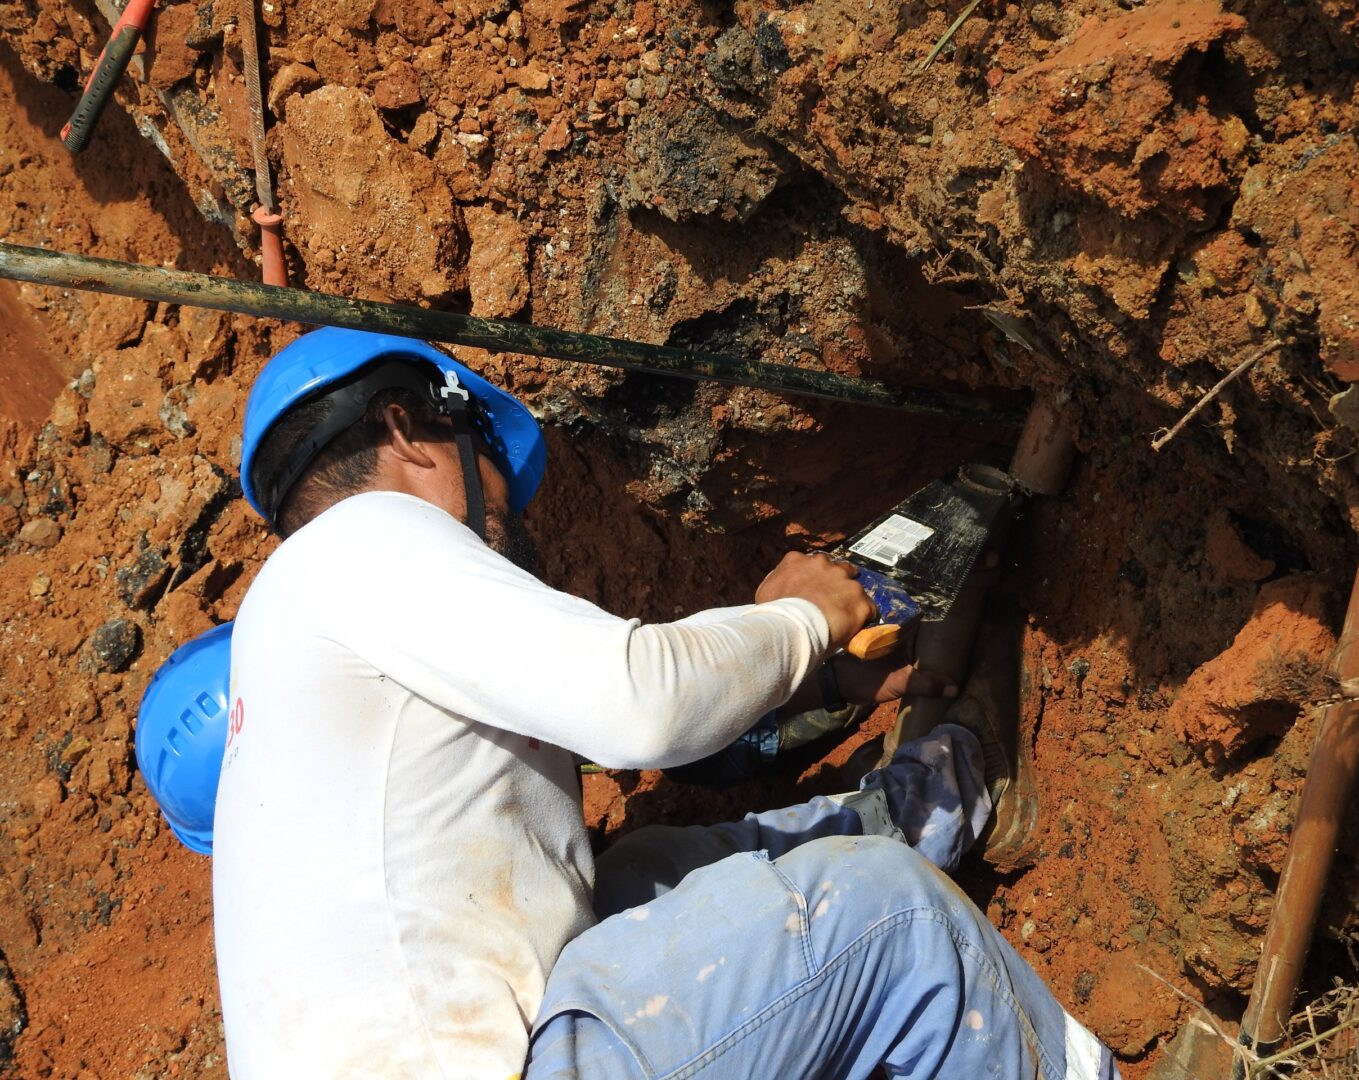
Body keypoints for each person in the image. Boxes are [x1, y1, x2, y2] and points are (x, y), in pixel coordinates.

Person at [210, 326, 1119, 1079]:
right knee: (888, 917)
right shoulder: (365, 541)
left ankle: (932, 799)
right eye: (488, 462)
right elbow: (643, 704)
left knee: (643, 874)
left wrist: (815, 683)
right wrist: (814, 615)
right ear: (410, 431)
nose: (505, 511)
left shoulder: (308, 637)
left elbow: (623, 748)